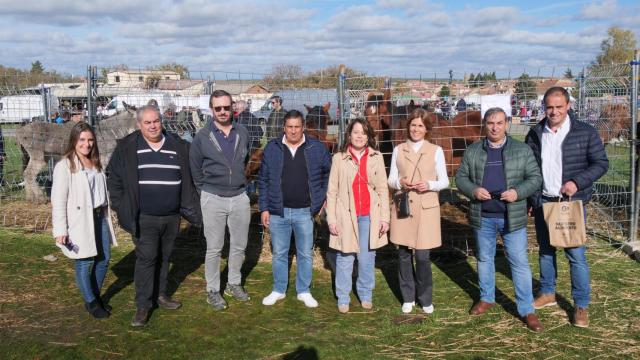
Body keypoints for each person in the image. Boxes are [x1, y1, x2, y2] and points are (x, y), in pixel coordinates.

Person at [107, 105, 201, 327]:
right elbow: (114, 179)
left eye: (156, 121)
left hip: (171, 216)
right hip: (144, 217)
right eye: (147, 122)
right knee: (147, 258)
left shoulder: (177, 146)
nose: (152, 126)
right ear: (139, 124)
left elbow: (190, 175)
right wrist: (121, 206)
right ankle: (143, 304)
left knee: (164, 258)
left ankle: (160, 295)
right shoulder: (128, 147)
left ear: (162, 121)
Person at [525, 87, 609, 328]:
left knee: (576, 255)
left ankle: (581, 304)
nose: (554, 112)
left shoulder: (584, 132)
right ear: (544, 107)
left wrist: (577, 182)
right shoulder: (536, 132)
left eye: (559, 107)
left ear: (568, 106)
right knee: (545, 250)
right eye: (549, 107)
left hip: (570, 204)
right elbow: (530, 171)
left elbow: (601, 163)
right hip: (543, 201)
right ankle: (548, 292)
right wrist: (532, 199)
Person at [455, 107, 544, 332]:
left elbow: (535, 178)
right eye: (490, 123)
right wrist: (473, 190)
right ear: (484, 125)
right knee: (485, 259)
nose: (495, 127)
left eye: (499, 123)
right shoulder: (474, 150)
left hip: (511, 216)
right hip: (483, 215)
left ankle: (526, 309)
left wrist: (518, 192)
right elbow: (461, 178)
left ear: (507, 124)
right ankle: (487, 297)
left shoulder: (521, 150)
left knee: (519, 262)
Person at [258, 110, 331, 308]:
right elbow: (263, 180)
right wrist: (264, 207)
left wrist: (321, 197)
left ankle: (304, 291)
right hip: (278, 211)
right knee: (280, 252)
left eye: (297, 127)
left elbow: (328, 173)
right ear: (284, 127)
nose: (293, 131)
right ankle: (279, 289)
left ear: (303, 127)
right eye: (289, 127)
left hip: (305, 211)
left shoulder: (316, 148)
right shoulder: (273, 148)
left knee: (305, 253)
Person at [190, 90, 252, 311]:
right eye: (218, 108)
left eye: (227, 107)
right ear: (211, 110)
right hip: (213, 197)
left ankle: (234, 283)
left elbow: (246, 159)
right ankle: (213, 290)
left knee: (239, 245)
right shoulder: (201, 137)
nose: (223, 112)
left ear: (232, 107)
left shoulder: (242, 132)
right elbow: (195, 170)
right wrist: (206, 192)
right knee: (215, 247)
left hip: (239, 196)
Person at [51, 122, 118, 319]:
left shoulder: (95, 162)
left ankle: (94, 296)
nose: (86, 144)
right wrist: (60, 230)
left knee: (104, 258)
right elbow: (58, 200)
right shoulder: (65, 165)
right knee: (84, 260)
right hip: (80, 220)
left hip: (99, 216)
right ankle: (91, 301)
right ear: (74, 140)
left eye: (90, 140)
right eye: (82, 140)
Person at [387, 108, 449, 314]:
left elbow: (445, 181)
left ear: (426, 129)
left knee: (422, 256)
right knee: (403, 254)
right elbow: (391, 179)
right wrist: (400, 181)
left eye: (420, 125)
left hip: (426, 208)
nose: (416, 129)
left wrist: (429, 185)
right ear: (408, 127)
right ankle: (408, 297)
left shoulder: (436, 150)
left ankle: (425, 298)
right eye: (413, 125)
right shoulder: (398, 150)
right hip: (403, 206)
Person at [326, 118, 390, 313]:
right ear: (349, 135)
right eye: (356, 132)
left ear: (368, 135)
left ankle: (365, 293)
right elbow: (332, 191)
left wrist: (385, 218)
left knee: (367, 257)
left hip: (369, 216)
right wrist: (332, 219)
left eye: (363, 132)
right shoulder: (339, 158)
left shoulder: (376, 157)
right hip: (346, 215)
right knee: (345, 257)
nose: (360, 136)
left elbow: (382, 189)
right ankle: (343, 296)